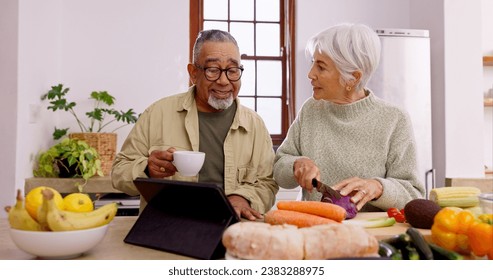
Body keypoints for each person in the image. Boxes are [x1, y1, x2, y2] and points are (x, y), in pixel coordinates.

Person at [112, 29, 279, 220]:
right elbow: (119, 172)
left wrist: (242, 198)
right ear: (193, 73)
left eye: (232, 71)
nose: (224, 81)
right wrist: (147, 169)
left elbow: (268, 182)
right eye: (212, 70)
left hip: (231, 230)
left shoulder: (255, 125)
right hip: (168, 228)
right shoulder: (158, 113)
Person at [273, 23, 424, 212]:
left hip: (370, 235)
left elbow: (413, 194)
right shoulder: (311, 109)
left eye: (321, 67)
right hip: (315, 229)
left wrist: (378, 187)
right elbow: (279, 167)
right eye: (313, 63)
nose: (310, 74)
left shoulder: (394, 119)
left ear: (353, 78)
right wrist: (296, 164)